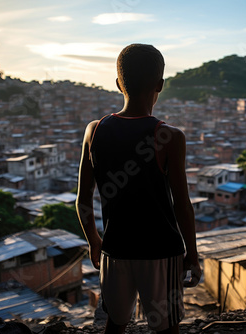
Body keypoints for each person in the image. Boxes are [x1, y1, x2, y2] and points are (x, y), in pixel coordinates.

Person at [76, 43, 201, 334]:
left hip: (116, 249)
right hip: (161, 252)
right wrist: (192, 254)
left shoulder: (94, 130)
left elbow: (83, 200)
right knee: (166, 327)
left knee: (115, 323)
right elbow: (182, 205)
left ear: (118, 83)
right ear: (160, 84)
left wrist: (95, 241)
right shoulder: (169, 136)